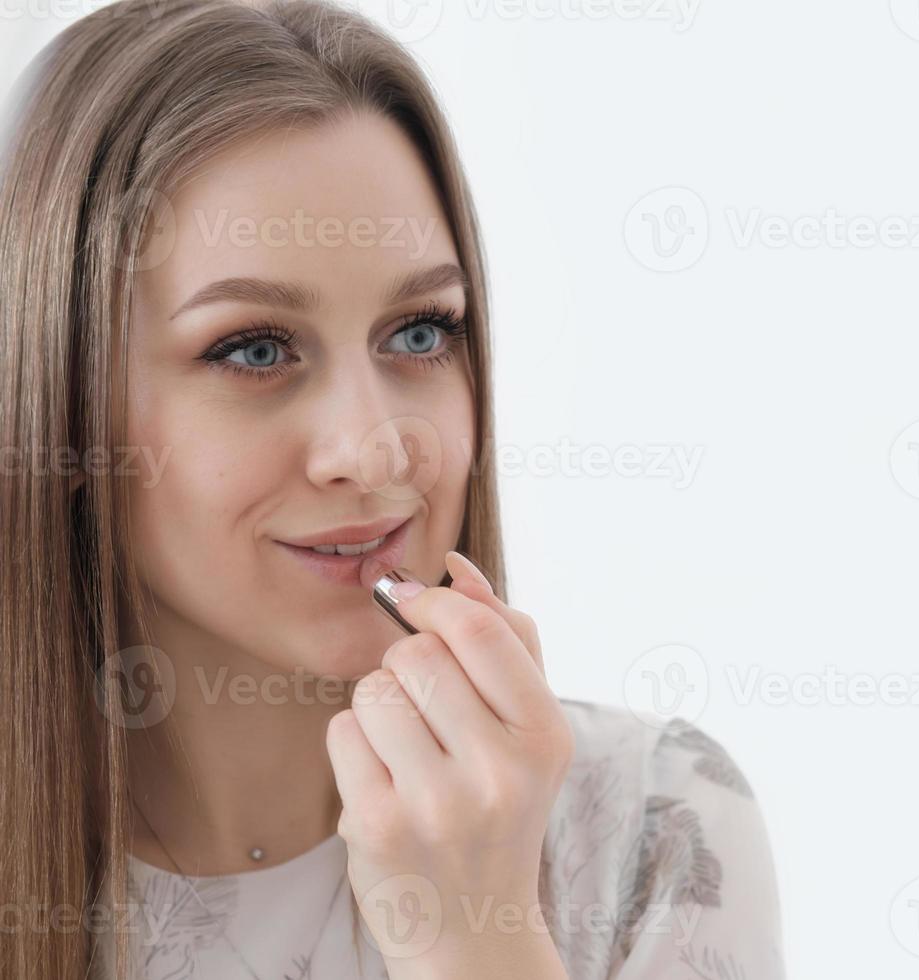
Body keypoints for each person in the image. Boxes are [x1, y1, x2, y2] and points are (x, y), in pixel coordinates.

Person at [0, 1, 786, 976]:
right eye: (254, 348)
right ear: (57, 399)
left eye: (419, 332)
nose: (374, 454)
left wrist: (475, 937)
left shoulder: (654, 826)